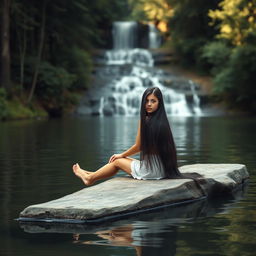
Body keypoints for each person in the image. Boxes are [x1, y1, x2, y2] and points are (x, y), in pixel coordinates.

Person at [73, 87, 199, 186]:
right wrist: (125, 156)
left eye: (153, 101)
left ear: (159, 103)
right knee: (125, 161)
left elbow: (139, 146)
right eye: (146, 101)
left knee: (117, 160)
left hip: (151, 172)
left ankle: (90, 178)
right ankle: (92, 174)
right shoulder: (162, 121)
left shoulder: (146, 120)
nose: (149, 104)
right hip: (163, 170)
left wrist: (122, 154)